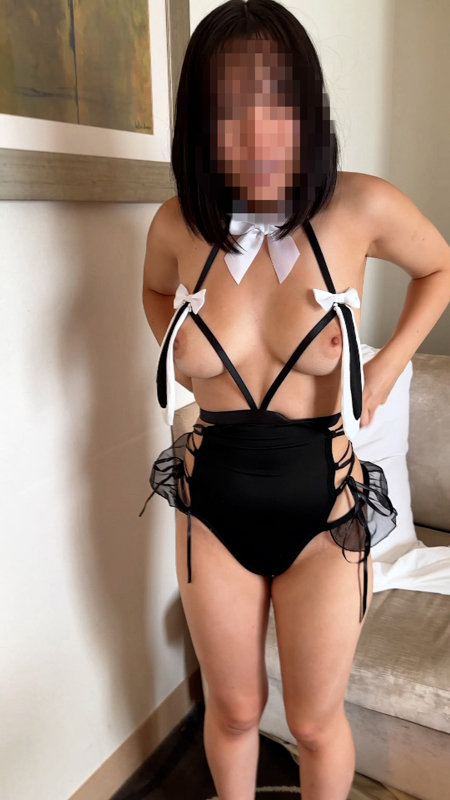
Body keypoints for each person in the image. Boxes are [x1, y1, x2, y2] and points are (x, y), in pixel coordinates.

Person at [139, 2, 450, 798]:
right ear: (199, 123)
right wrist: (176, 348)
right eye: (229, 109)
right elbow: (153, 291)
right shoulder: (176, 225)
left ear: (309, 107)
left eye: (276, 102)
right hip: (211, 506)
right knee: (235, 710)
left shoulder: (361, 206)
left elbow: (439, 267)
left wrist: (388, 367)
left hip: (326, 508)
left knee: (313, 722)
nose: (256, 132)